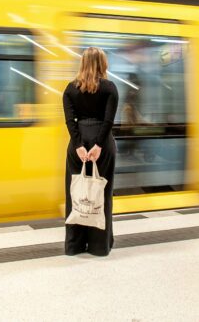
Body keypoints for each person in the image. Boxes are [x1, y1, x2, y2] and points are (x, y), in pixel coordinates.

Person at [63, 47, 118, 256]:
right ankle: (98, 246)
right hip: (102, 144)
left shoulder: (69, 89)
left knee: (76, 193)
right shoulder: (110, 88)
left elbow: (70, 121)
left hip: (77, 145)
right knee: (102, 193)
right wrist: (98, 145)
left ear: (82, 64)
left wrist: (78, 146)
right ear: (102, 64)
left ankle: (74, 245)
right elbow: (108, 121)